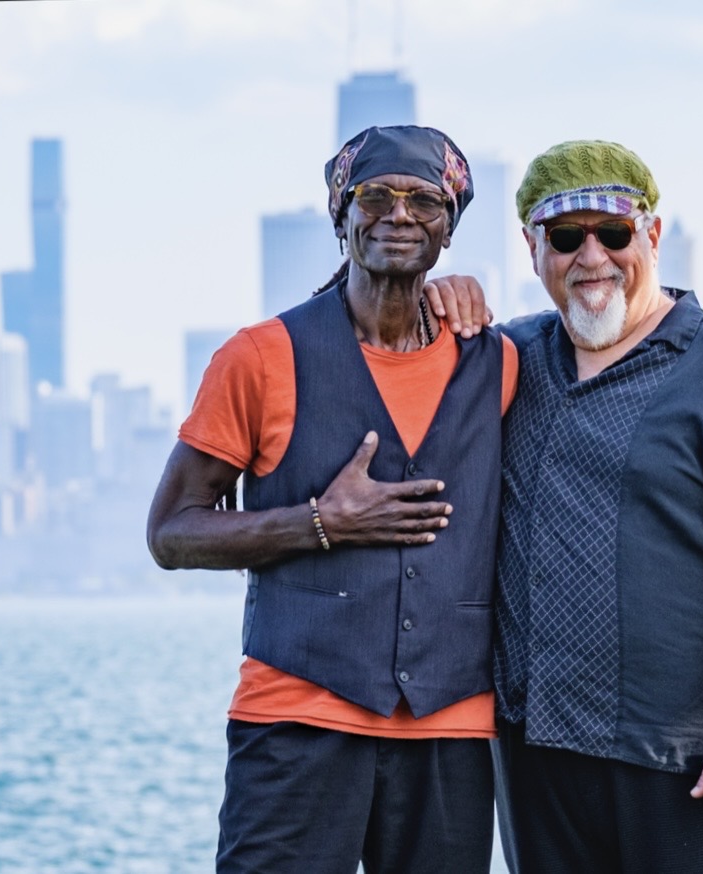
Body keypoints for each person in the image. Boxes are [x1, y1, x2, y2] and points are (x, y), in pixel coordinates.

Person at [146, 124, 517, 874]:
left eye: (425, 202)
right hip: (294, 720)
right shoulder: (259, 357)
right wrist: (321, 522)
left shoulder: (501, 362)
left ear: (451, 230)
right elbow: (171, 533)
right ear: (340, 215)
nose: (399, 215)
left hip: (451, 735)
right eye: (374, 196)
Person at [488, 140, 703, 872]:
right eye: (564, 237)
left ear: (652, 234)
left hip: (686, 761)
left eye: (613, 233)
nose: (593, 257)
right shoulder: (508, 361)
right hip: (535, 754)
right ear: (531, 247)